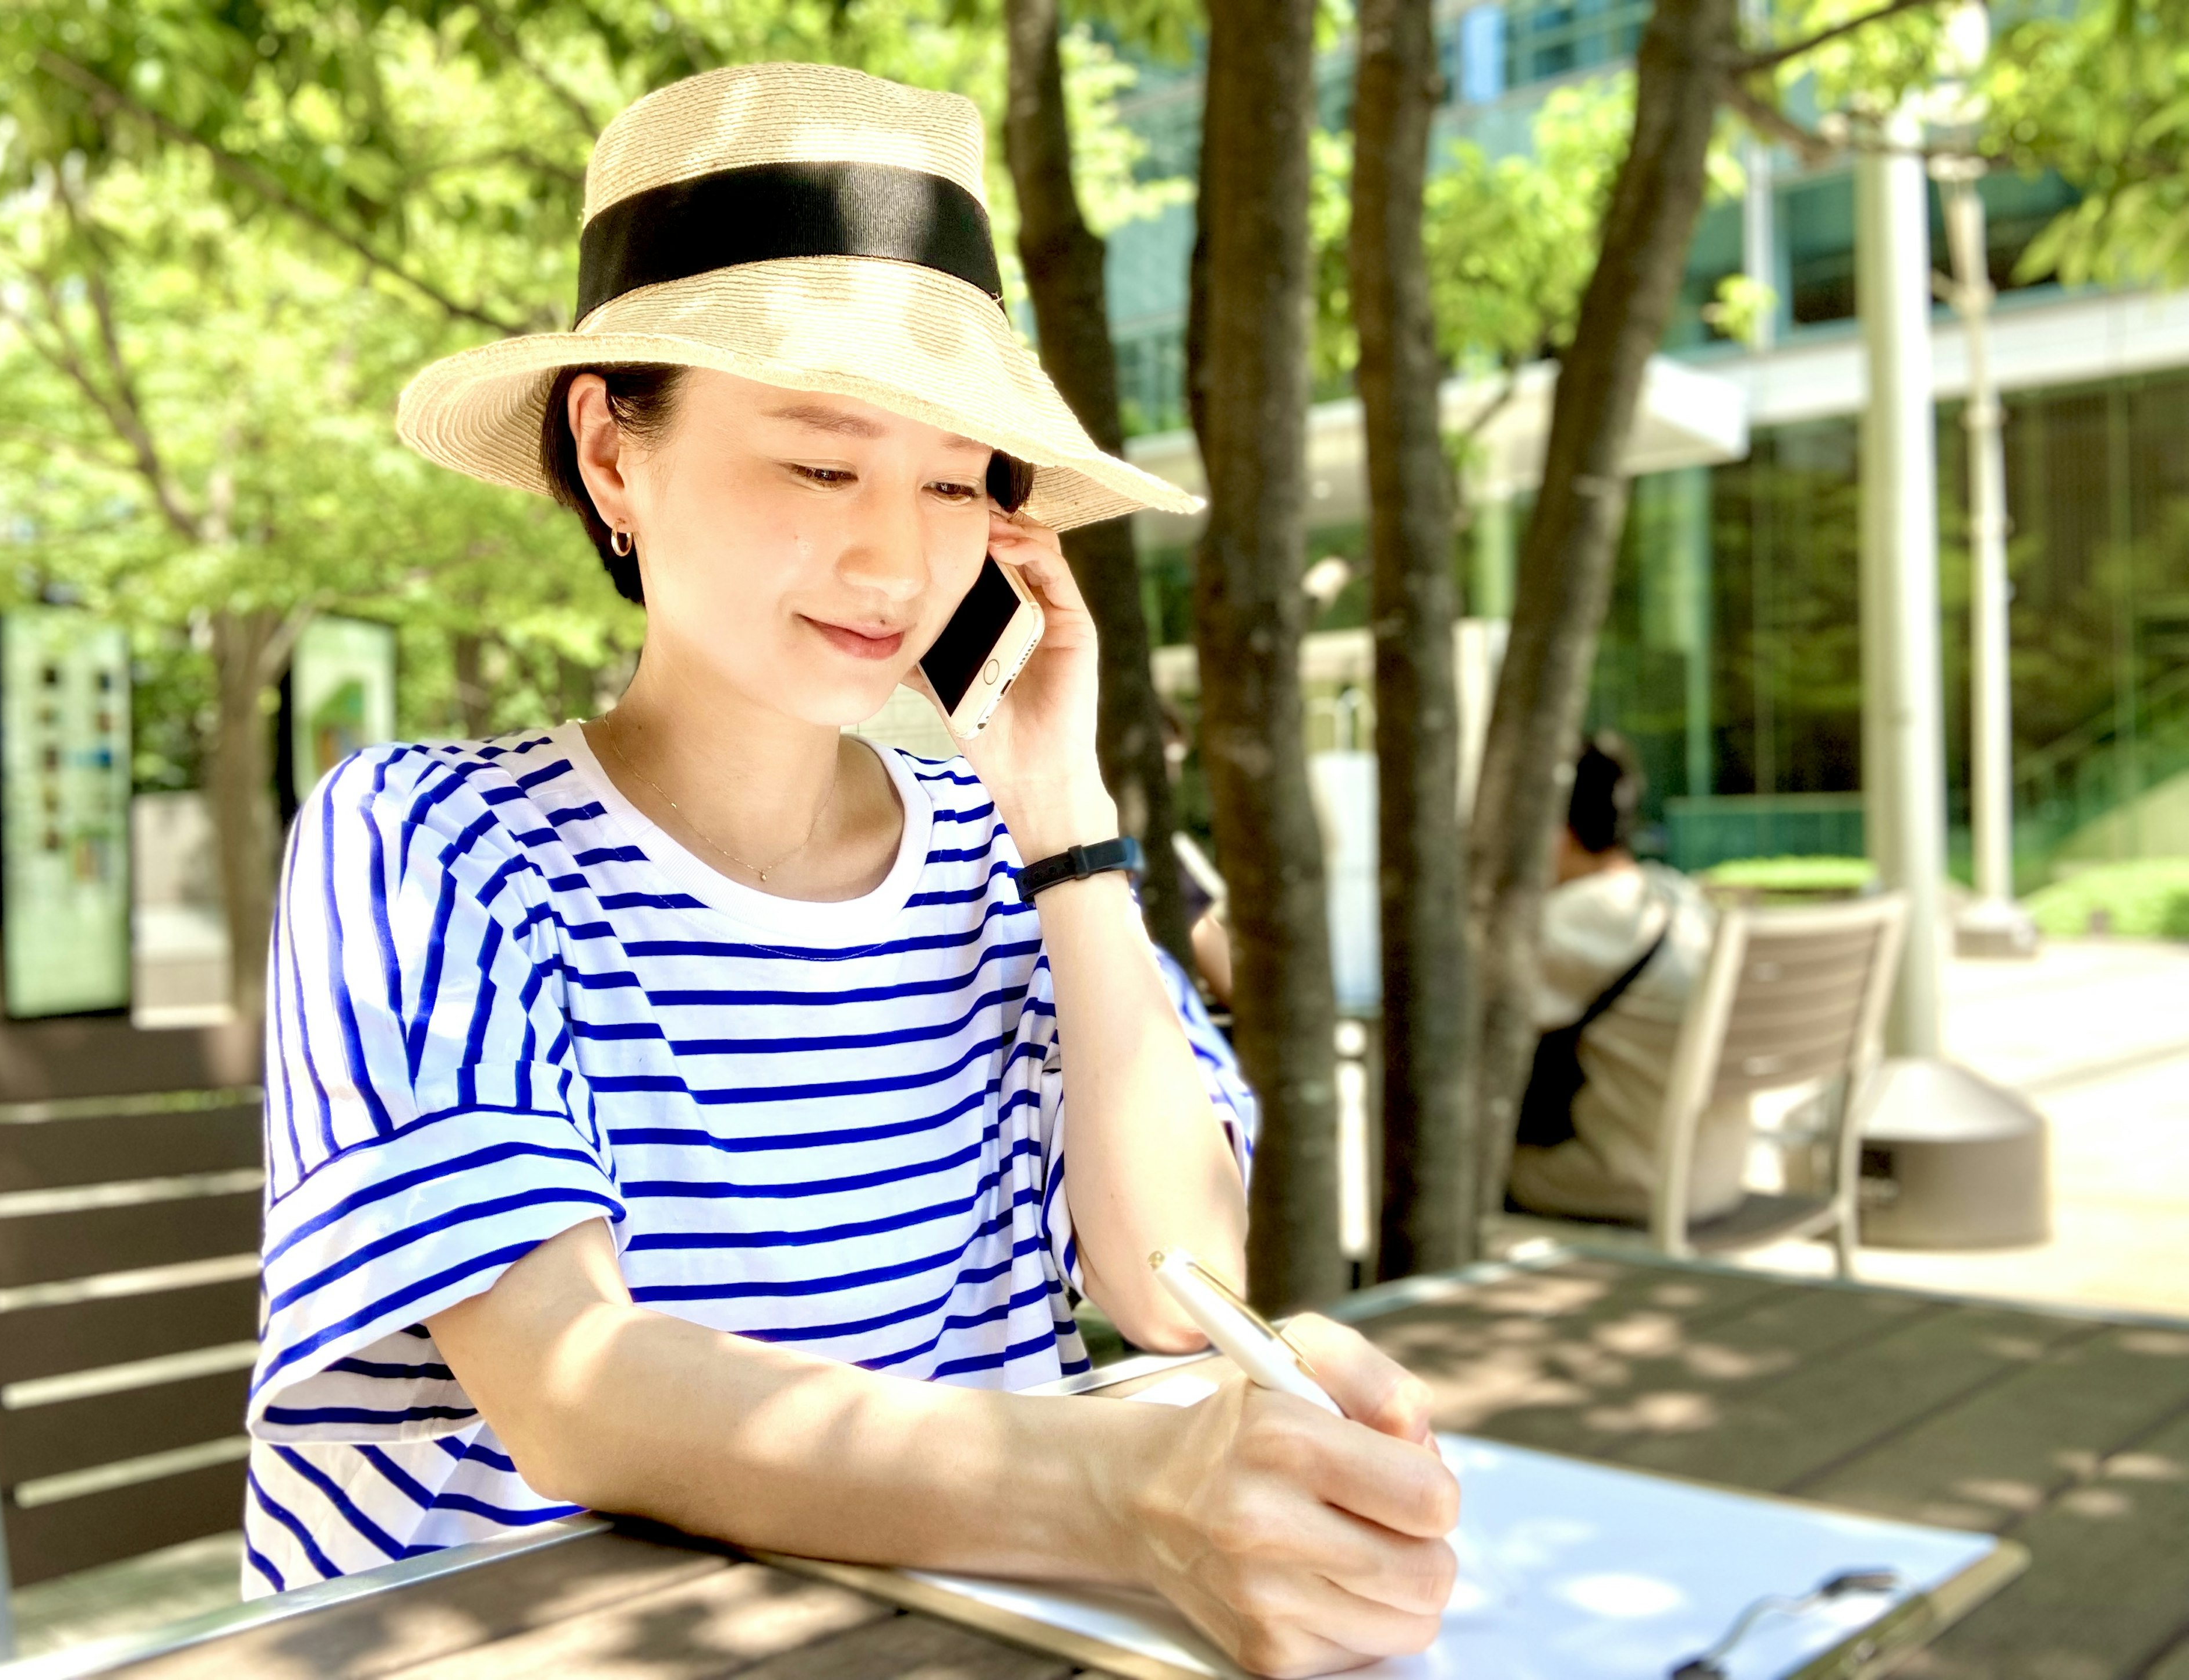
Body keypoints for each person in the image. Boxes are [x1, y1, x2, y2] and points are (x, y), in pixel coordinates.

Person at [242, 63, 1458, 1678]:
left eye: (957, 481)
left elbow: (1181, 1283)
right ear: (612, 452)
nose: (897, 559)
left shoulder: (991, 856)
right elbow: (570, 1384)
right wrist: (1126, 1487)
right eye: (823, 465)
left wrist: (1063, 819)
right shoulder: (423, 835)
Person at [1509, 734, 1745, 1226]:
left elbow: (1460, 1030)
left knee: (1449, 1164)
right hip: (1719, 1173)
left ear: (1555, 831)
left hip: (1636, 1181)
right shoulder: (1675, 896)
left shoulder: (1572, 921)